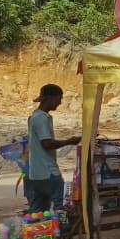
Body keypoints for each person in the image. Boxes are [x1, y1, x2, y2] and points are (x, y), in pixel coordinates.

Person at [27, 84, 80, 213]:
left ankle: (37, 231)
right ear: (50, 98)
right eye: (59, 99)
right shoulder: (41, 118)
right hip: (48, 172)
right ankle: (58, 232)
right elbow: (47, 144)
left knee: (38, 212)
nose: (60, 102)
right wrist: (69, 141)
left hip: (36, 173)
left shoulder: (34, 116)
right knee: (60, 209)